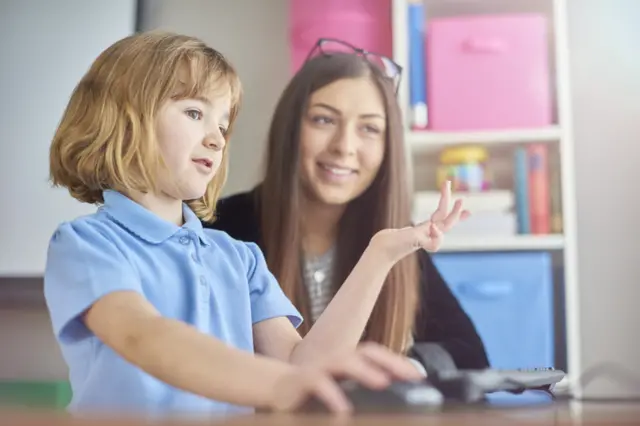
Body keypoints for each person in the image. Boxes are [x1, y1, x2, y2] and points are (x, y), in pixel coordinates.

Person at [42, 31, 467, 417]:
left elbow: (303, 367)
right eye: (194, 113)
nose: (216, 138)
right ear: (122, 118)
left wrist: (381, 254)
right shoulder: (85, 244)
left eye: (223, 125)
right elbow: (142, 336)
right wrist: (280, 384)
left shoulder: (240, 257)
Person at [206, 38, 490, 369]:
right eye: (324, 120)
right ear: (290, 128)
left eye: (369, 128)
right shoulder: (222, 231)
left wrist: (401, 368)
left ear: (388, 148)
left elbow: (471, 357)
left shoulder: (395, 240)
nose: (345, 146)